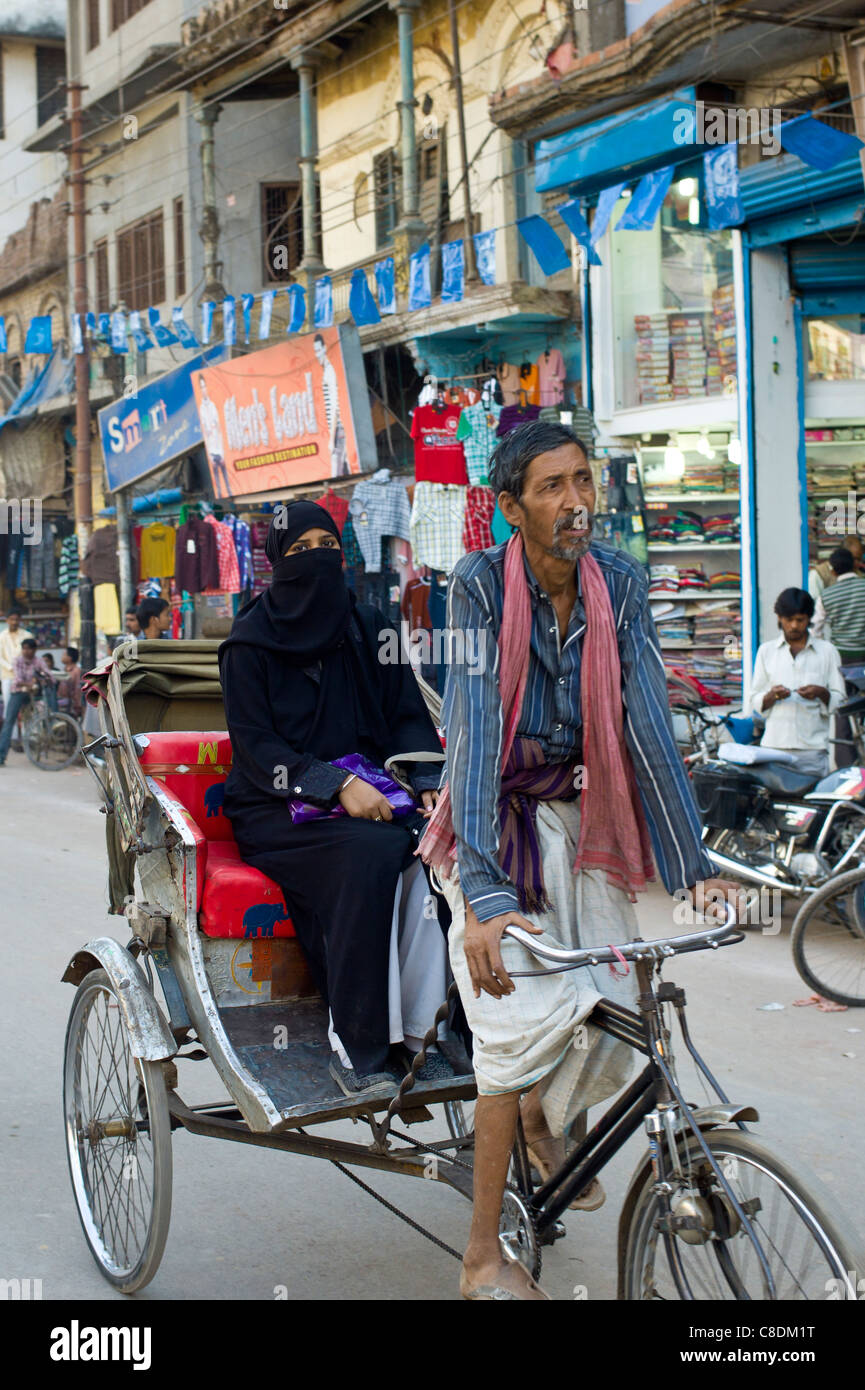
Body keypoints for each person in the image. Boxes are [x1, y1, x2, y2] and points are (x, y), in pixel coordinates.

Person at [417, 421, 740, 1300]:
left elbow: (644, 726)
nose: (575, 503)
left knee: (614, 985)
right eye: (553, 487)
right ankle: (481, 1256)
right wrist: (480, 898)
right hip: (487, 826)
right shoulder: (478, 586)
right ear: (512, 506)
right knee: (513, 1028)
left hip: (575, 814)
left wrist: (691, 867)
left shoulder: (620, 583)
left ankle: (544, 1119)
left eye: (583, 482)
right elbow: (474, 739)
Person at [219, 501, 451, 1100]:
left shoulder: (370, 626)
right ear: (277, 562)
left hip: (374, 795)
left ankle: (430, 1034)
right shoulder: (249, 643)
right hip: (275, 808)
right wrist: (333, 785)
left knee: (433, 854)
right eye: (300, 550)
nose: (317, 558)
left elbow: (406, 715)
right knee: (370, 853)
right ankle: (361, 1044)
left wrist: (425, 782)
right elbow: (255, 747)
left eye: (327, 544)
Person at [749, 589, 845, 779]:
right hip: (774, 746)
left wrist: (821, 693)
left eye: (800, 620)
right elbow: (754, 698)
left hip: (812, 749)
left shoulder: (828, 652)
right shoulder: (766, 651)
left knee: (812, 804)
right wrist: (771, 696)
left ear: (809, 618)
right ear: (779, 618)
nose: (794, 626)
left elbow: (840, 698)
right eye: (788, 620)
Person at [0, 638, 50, 765]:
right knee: (9, 721)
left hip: (34, 693)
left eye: (29, 648)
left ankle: (52, 723)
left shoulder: (38, 661)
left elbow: (49, 676)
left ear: (34, 650)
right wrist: (32, 682)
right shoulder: (17, 660)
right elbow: (17, 680)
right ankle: (1, 755)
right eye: (24, 648)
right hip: (18, 692)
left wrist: (41, 679)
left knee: (49, 693)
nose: (26, 651)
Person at [814, 547, 865, 663]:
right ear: (854, 565)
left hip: (840, 656)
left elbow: (815, 630)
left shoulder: (825, 596)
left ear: (833, 571)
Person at [809, 536, 864, 635]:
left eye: (859, 559)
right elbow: (816, 615)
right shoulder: (818, 574)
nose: (857, 563)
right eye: (854, 558)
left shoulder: (860, 576)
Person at [313, 334, 347, 477]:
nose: (317, 355)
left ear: (325, 348)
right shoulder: (327, 371)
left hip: (338, 431)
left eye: (319, 350)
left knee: (336, 474)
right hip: (337, 431)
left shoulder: (329, 371)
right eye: (315, 351)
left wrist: (331, 437)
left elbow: (335, 406)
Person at [198, 375, 233, 500]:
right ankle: (220, 494)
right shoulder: (201, 409)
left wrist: (222, 453)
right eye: (201, 387)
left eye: (204, 387)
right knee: (216, 478)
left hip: (219, 448)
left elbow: (219, 429)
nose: (203, 390)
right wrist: (210, 455)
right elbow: (206, 434)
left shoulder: (212, 406)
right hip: (212, 449)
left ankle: (229, 491)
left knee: (225, 474)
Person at [0, 610, 33, 713]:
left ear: (20, 620)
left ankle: (27, 729)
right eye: (12, 619)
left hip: (24, 676)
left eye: (16, 619)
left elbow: (31, 656)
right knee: (9, 707)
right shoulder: (1, 636)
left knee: (26, 707)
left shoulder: (27, 635)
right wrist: (11, 667)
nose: (14, 622)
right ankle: (12, 730)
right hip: (8, 676)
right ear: (7, 620)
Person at [57, 647, 83, 720]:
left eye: (64, 654)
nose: (62, 656)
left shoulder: (76, 671)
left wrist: (77, 706)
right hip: (63, 700)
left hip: (71, 704)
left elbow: (77, 689)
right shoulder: (65, 670)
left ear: (70, 658)